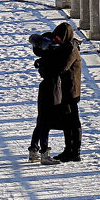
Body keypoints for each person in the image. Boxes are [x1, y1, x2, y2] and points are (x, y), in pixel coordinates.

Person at [39, 21, 83, 162]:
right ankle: (68, 149)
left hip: (71, 90)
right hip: (63, 89)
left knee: (73, 122)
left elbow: (62, 67)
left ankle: (74, 151)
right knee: (67, 122)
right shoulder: (65, 47)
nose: (56, 39)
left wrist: (46, 67)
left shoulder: (71, 49)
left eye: (58, 37)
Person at [28, 31, 64, 165]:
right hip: (52, 89)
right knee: (46, 123)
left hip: (44, 89)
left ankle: (33, 151)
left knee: (41, 121)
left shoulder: (44, 57)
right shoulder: (54, 55)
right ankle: (44, 153)